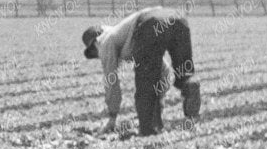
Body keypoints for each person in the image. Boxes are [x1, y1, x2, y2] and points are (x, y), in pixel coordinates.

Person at [81, 8, 201, 136]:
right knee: (184, 71)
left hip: (149, 23)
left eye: (94, 52)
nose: (97, 56)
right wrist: (159, 98)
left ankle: (149, 131)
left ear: (95, 43)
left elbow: (111, 81)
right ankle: (190, 86)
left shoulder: (104, 42)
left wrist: (112, 116)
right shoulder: (122, 33)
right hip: (178, 19)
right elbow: (164, 70)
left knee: (146, 85)